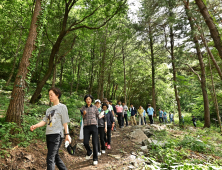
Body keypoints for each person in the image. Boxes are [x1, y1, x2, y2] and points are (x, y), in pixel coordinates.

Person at [30, 87, 70, 170]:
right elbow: (45, 121)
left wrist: (67, 135)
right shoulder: (49, 109)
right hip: (49, 134)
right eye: (49, 95)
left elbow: (65, 122)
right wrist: (35, 125)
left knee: (50, 158)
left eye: (51, 95)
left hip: (57, 135)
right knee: (55, 156)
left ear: (57, 95)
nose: (50, 97)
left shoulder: (62, 107)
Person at [80, 94, 99, 166]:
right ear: (85, 100)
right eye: (87, 99)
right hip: (86, 126)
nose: (88, 100)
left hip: (94, 126)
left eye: (89, 99)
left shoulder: (94, 107)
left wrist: (102, 116)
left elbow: (98, 115)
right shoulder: (83, 108)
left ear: (91, 100)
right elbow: (82, 117)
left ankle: (95, 159)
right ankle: (89, 152)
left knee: (95, 143)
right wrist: (84, 114)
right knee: (85, 142)